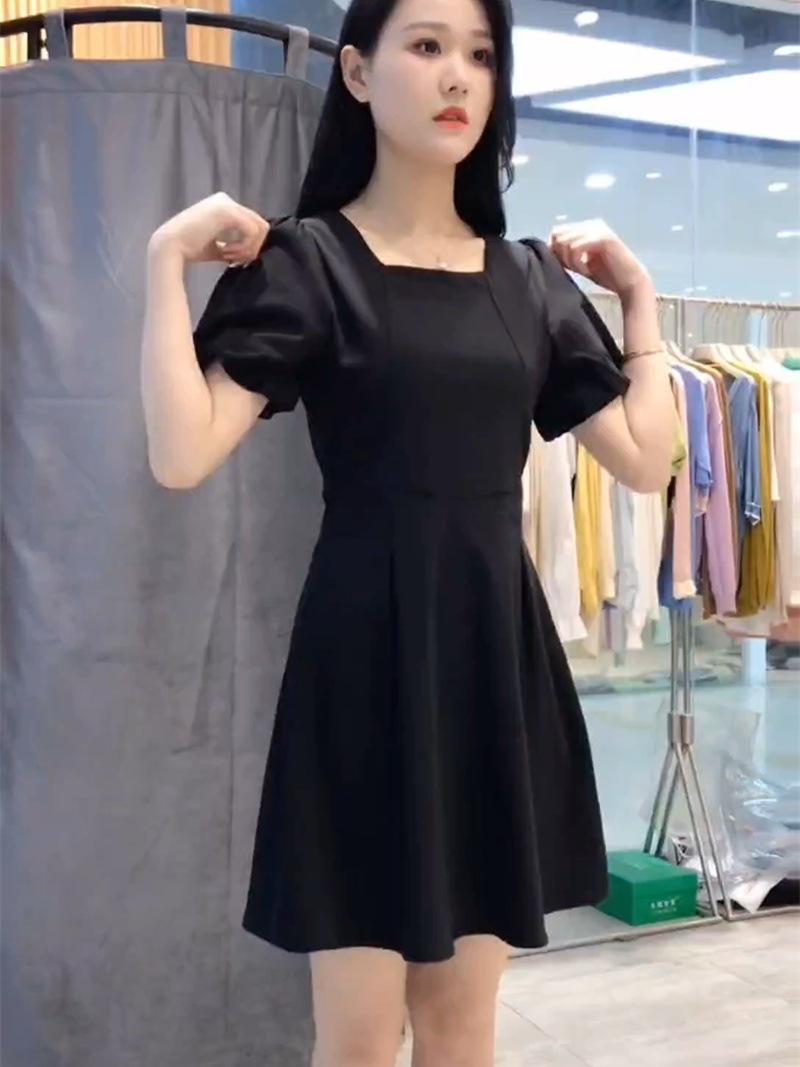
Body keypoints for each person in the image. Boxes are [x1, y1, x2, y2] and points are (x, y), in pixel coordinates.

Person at [141, 0, 675, 1064]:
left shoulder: (528, 279)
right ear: (355, 72)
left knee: (462, 1027)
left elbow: (643, 461)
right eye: (425, 47)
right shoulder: (308, 261)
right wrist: (165, 262)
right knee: (354, 1038)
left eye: (479, 55)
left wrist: (640, 304)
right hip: (362, 665)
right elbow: (181, 453)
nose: (457, 76)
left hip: (489, 659)